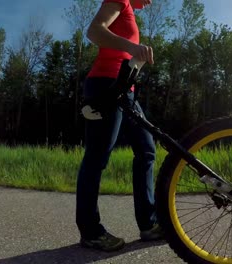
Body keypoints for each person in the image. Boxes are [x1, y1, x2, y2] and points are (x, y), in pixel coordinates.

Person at [76, 0, 162, 252]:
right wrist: (133, 46)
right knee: (97, 157)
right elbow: (94, 31)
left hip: (126, 90)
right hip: (105, 84)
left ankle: (149, 224)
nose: (150, 1)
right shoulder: (120, 0)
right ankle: (90, 231)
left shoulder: (130, 12)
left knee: (147, 151)